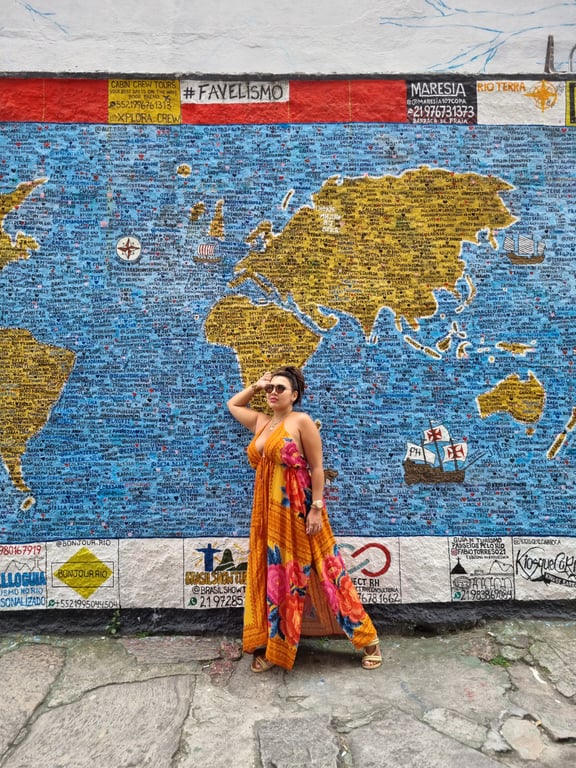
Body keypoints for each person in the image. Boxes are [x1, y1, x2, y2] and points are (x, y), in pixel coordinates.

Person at [227, 365, 381, 672]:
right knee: (275, 576)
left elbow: (317, 468)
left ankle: (369, 641)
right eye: (271, 388)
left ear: (294, 395)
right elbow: (233, 404)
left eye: (280, 388)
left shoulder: (301, 422)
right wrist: (257, 385)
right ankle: (275, 647)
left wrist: (316, 508)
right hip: (267, 513)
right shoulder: (261, 422)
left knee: (325, 569)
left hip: (299, 508)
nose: (273, 393)